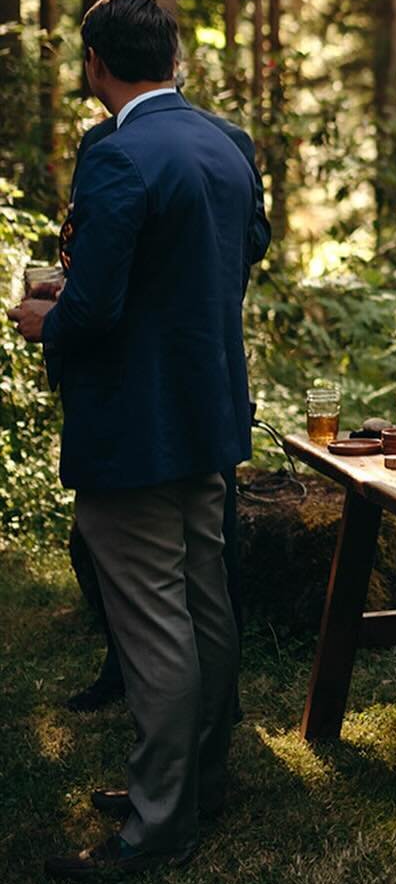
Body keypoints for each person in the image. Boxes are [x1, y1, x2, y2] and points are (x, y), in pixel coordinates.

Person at [8, 0, 268, 880]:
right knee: (204, 599)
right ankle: (202, 780)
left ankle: (159, 825)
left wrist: (45, 319)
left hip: (134, 419)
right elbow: (239, 251)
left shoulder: (118, 156)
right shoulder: (228, 146)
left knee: (154, 621)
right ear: (174, 57)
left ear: (96, 65)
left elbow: (100, 302)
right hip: (209, 406)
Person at [59, 101, 270, 714]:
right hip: (198, 376)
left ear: (98, 65)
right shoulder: (104, 141)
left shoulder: (221, 141)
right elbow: (89, 239)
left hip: (161, 375)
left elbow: (249, 239)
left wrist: (57, 320)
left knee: (197, 561)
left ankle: (180, 765)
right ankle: (133, 674)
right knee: (173, 563)